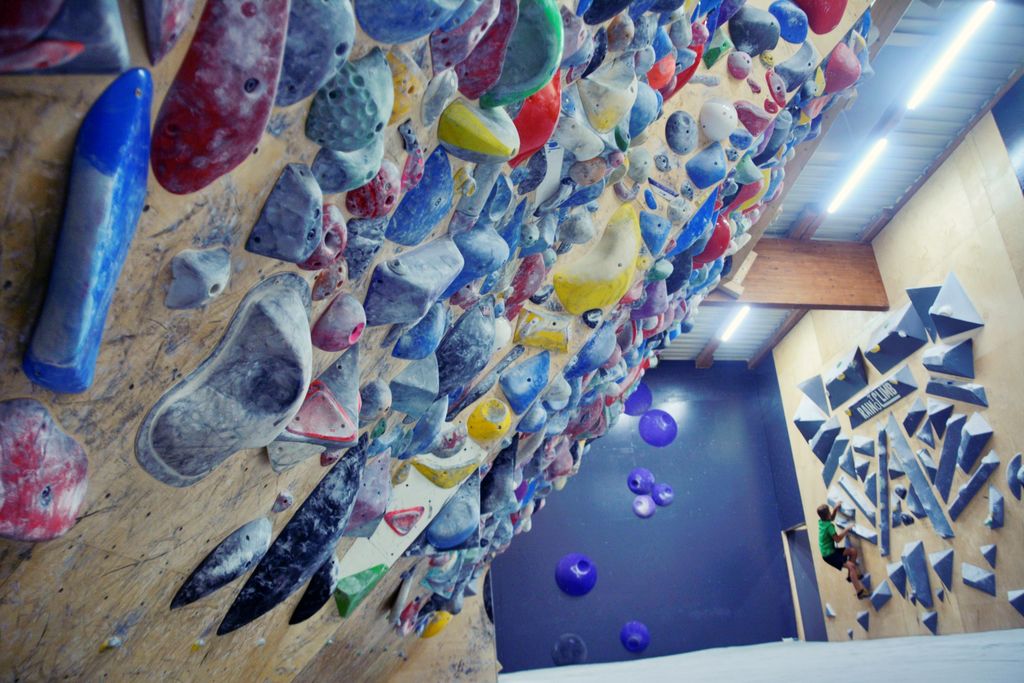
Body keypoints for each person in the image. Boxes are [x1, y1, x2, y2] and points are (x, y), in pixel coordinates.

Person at [817, 502, 868, 599]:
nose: (830, 514)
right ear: (827, 514)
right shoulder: (829, 527)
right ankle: (860, 592)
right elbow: (837, 539)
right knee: (852, 566)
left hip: (830, 550)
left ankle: (851, 576)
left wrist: (835, 509)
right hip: (829, 555)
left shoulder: (822, 521)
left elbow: (831, 518)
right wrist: (846, 529)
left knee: (853, 552)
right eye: (829, 512)